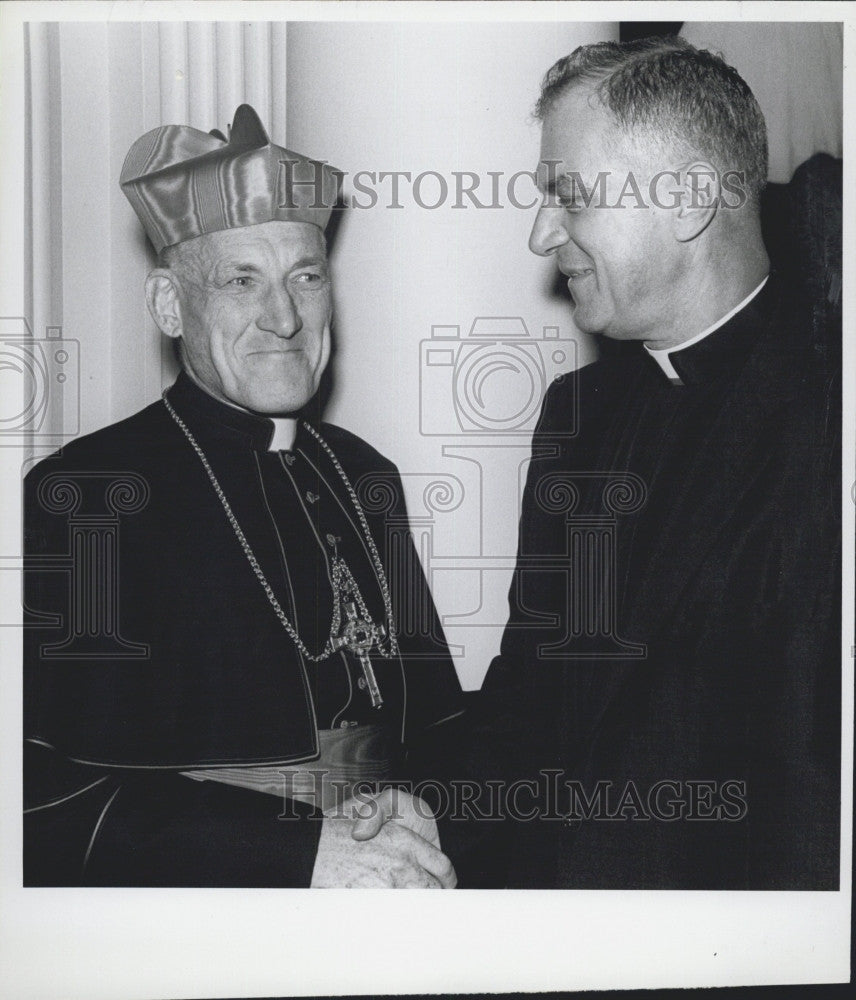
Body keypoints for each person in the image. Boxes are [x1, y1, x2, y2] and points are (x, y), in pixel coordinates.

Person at [406, 37, 840, 889]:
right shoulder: (579, 417)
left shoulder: (833, 415)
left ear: (684, 200)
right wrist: (422, 823)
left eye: (569, 195)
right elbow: (531, 694)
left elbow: (810, 788)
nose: (540, 233)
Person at [23, 104, 462, 888]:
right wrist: (297, 854)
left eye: (306, 276)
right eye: (241, 281)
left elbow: (433, 729)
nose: (285, 317)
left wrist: (422, 809)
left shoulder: (368, 477)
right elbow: (45, 800)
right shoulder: (86, 495)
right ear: (168, 305)